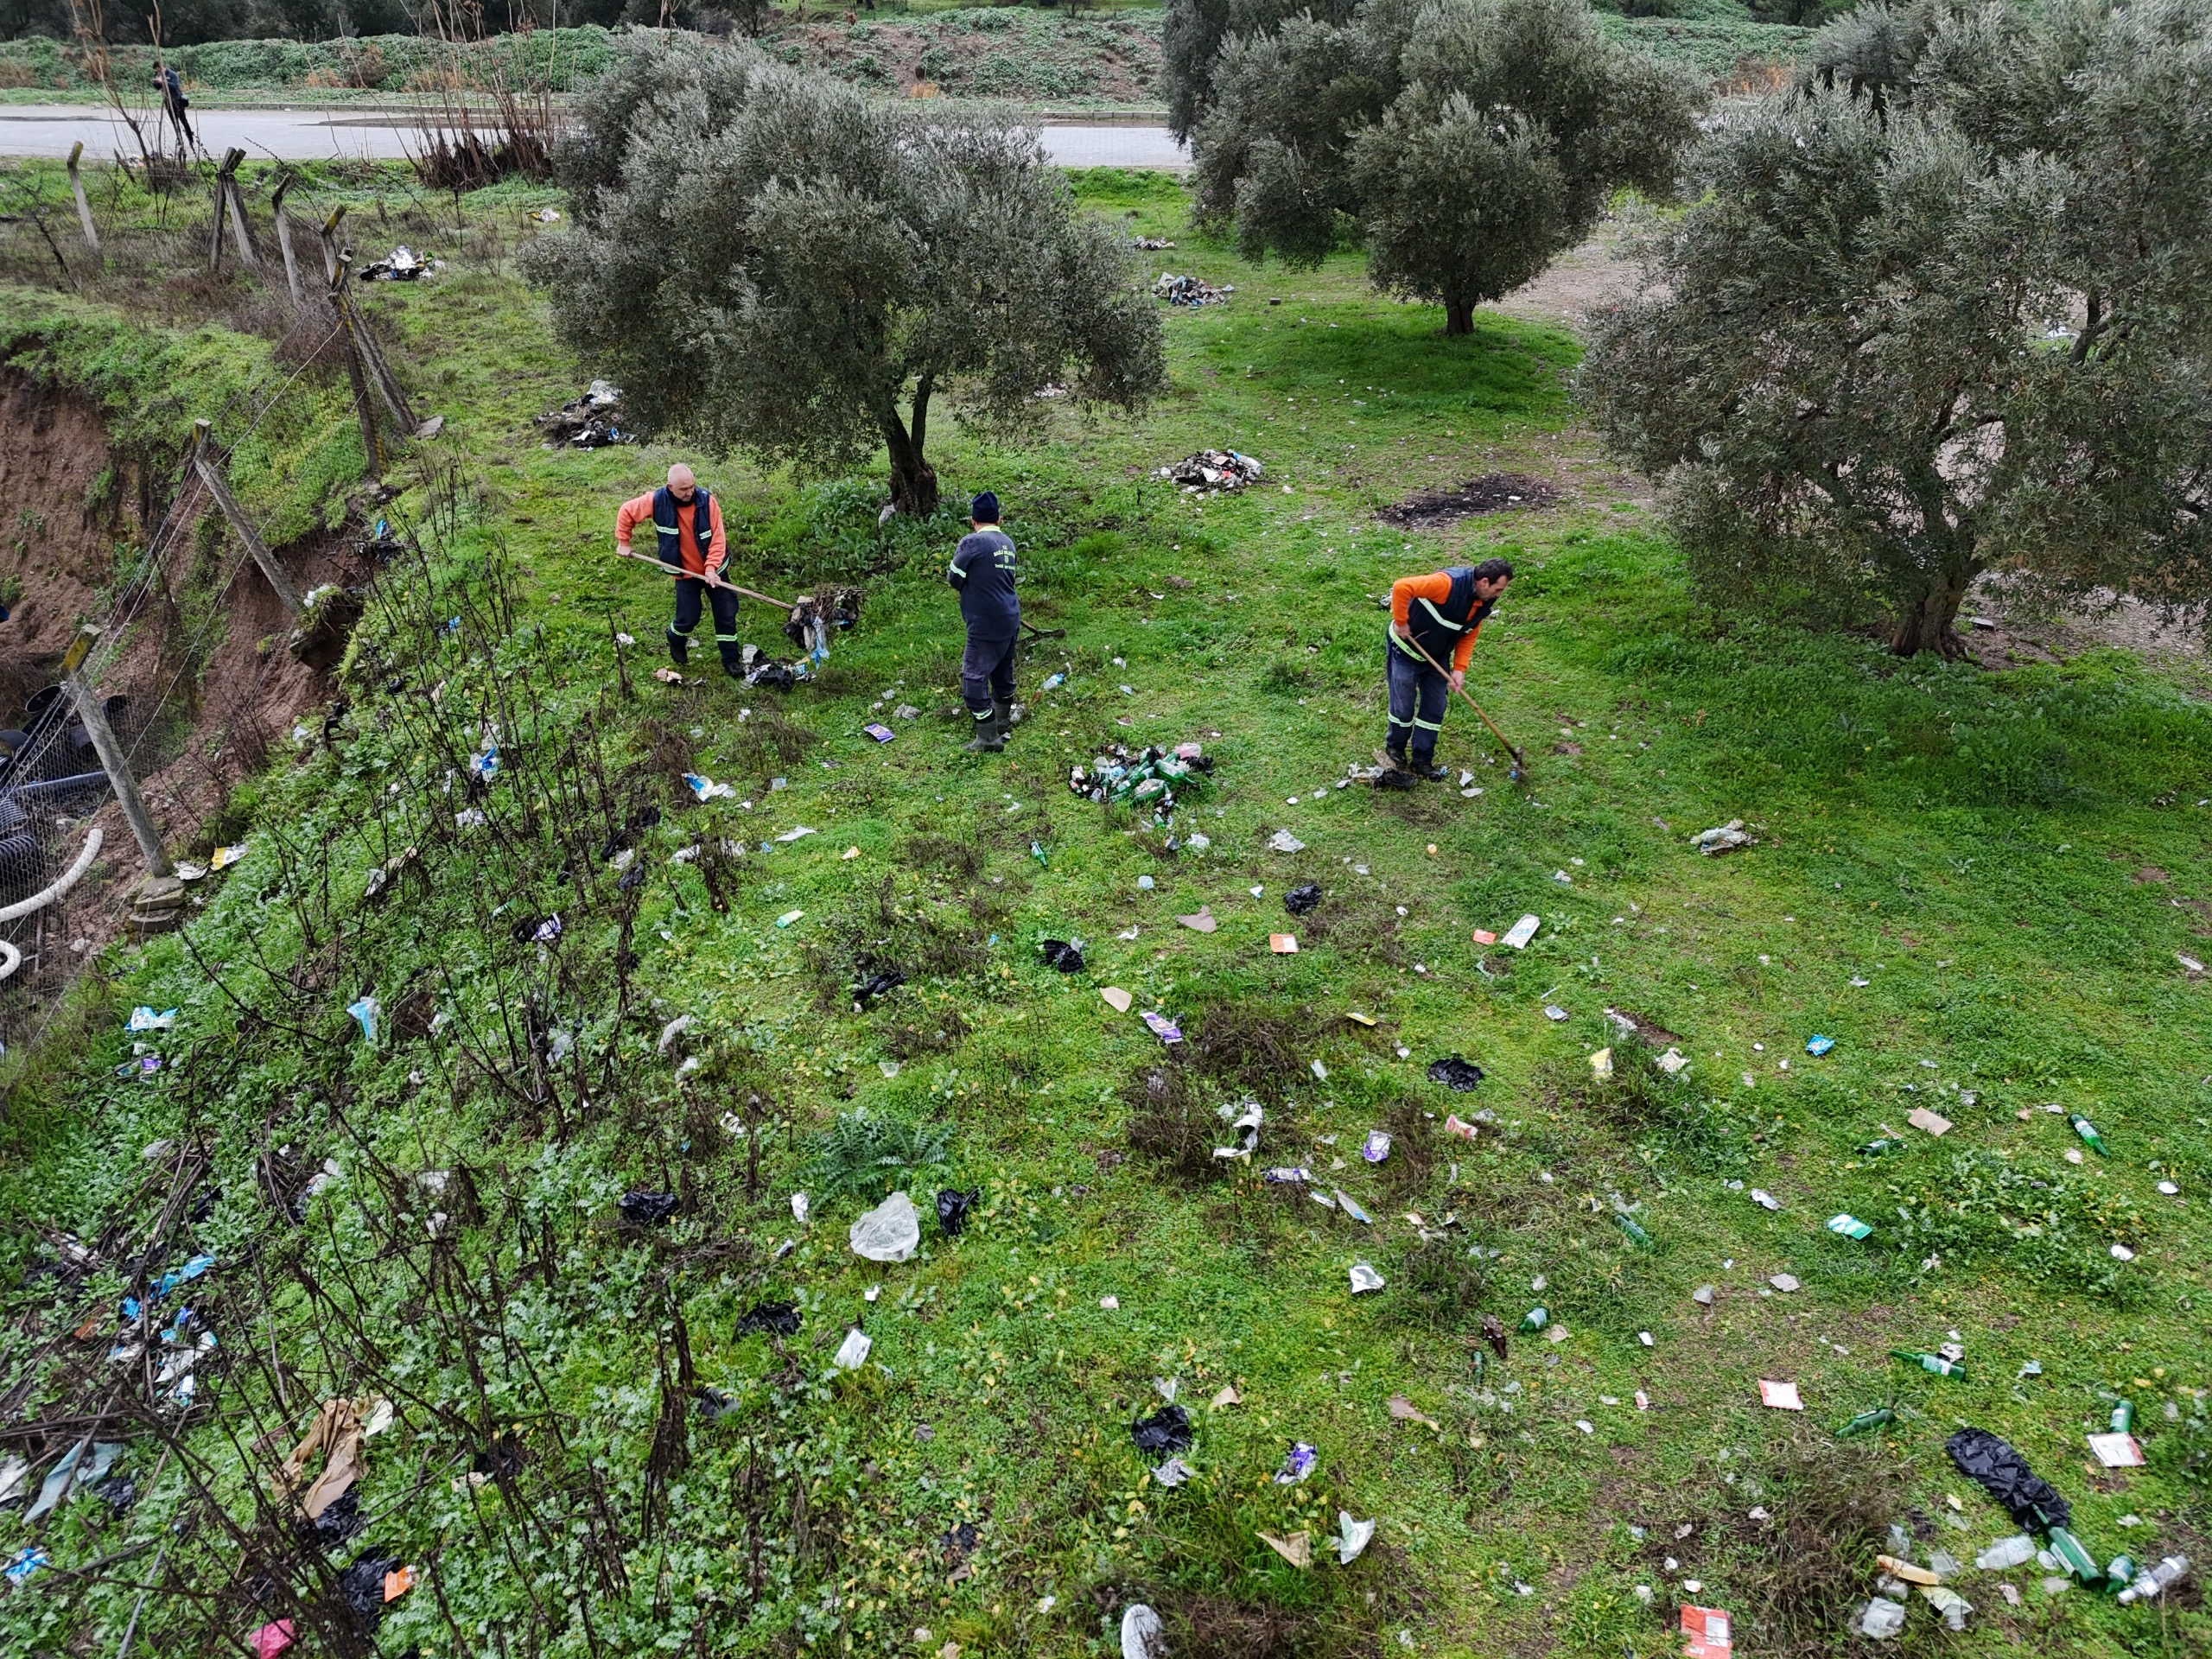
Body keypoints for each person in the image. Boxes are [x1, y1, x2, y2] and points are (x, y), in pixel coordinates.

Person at [1383, 556, 1512, 780]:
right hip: (1405, 650)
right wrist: (1401, 621)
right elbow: (1402, 586)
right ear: (1484, 583)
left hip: (1436, 656)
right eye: (1498, 589)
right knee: (1403, 707)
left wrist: (1459, 668)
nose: (1499, 595)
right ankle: (1395, 749)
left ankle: (1422, 760)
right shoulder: (1446, 584)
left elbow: (1468, 633)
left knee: (1434, 708)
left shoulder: (1482, 604)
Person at [613, 464, 741, 677]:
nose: (689, 492)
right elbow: (626, 511)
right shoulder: (656, 501)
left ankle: (731, 660)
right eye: (683, 489)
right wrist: (624, 541)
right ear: (670, 487)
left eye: (692, 486)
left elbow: (718, 539)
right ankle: (675, 637)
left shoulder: (707, 502)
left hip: (715, 570)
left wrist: (711, 568)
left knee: (726, 613)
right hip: (685, 573)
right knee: (688, 617)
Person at [947, 491, 1019, 753]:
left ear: (972, 520)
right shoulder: (1008, 543)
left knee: (973, 680)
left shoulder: (971, 544)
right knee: (1002, 672)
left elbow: (953, 578)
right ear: (999, 519)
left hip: (984, 623)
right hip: (1010, 618)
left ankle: (988, 738)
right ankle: (1002, 720)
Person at [154, 64, 194, 149]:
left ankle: (191, 139)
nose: (158, 72)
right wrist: (155, 83)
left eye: (158, 70)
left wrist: (163, 81)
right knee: (174, 122)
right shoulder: (160, 76)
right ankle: (180, 140)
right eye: (157, 71)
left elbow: (175, 86)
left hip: (177, 101)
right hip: (168, 102)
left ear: (161, 67)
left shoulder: (172, 75)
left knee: (184, 121)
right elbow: (158, 88)